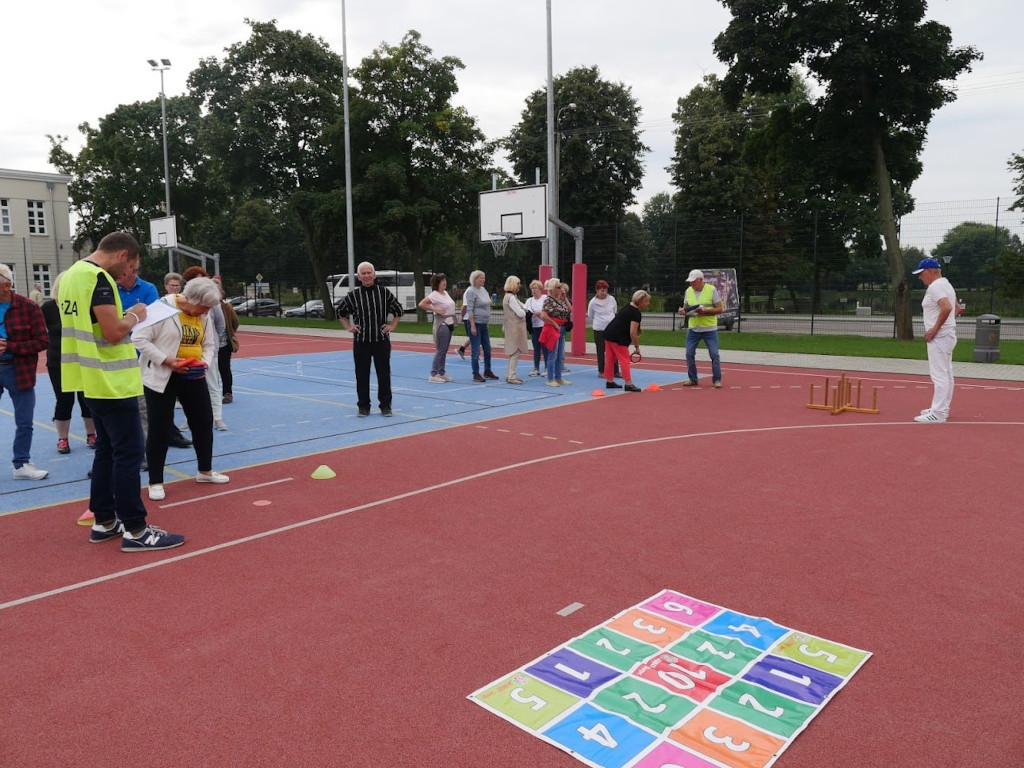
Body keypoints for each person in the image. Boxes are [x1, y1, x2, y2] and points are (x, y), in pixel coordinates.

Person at [60, 232, 184, 551]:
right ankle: (136, 529)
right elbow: (114, 332)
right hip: (111, 380)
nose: (129, 272)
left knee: (106, 449)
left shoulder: (72, 275)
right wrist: (134, 315)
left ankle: (104, 521)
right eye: (131, 266)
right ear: (122, 255)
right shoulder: (100, 279)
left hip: (88, 377)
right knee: (129, 453)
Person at [133, 276, 230, 500]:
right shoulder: (161, 309)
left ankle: (205, 471)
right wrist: (166, 360)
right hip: (162, 377)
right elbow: (138, 338)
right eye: (204, 307)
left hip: (193, 375)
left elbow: (209, 344)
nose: (206, 312)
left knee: (203, 423)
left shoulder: (202, 314)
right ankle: (155, 481)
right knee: (159, 428)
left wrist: (204, 364)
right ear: (191, 299)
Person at [0, 263, 50, 479]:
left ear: (6, 285)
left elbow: (42, 341)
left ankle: (21, 464)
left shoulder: (28, 307)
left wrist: (10, 346)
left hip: (18, 369)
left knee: (24, 421)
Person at [336, 261, 403, 416]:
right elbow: (340, 312)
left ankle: (385, 406)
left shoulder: (384, 292)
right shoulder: (354, 295)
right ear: (359, 277)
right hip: (361, 342)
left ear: (374, 275)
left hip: (381, 341)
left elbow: (398, 310)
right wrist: (348, 327)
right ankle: (363, 406)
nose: (366, 276)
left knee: (383, 374)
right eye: (363, 273)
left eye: (369, 273)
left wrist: (392, 325)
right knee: (362, 375)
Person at [41, 272, 96, 454]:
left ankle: (91, 434)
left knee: (87, 399)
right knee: (64, 400)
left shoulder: (84, 305)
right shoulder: (48, 308)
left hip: (82, 359)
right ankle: (63, 439)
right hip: (58, 361)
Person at [912, 257, 958, 423]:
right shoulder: (946, 284)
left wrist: (935, 328)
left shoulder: (935, 286)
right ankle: (941, 408)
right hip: (947, 335)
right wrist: (947, 325)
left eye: (921, 273)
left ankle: (938, 413)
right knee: (946, 373)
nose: (920, 277)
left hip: (940, 337)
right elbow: (957, 307)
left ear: (930, 271)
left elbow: (947, 307)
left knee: (939, 375)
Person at [182, 267, 226, 430]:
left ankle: (217, 417)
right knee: (188, 389)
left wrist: (214, 342)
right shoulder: (182, 303)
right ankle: (190, 419)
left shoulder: (212, 302)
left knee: (212, 384)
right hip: (189, 351)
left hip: (209, 351)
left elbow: (220, 324)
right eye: (195, 279)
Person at [679, 269, 723, 388]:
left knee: (714, 354)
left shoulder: (711, 290)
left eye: (694, 281)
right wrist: (683, 311)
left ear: (701, 280)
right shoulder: (688, 291)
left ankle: (717, 380)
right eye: (690, 281)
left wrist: (706, 311)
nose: (691, 283)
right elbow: (686, 308)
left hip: (709, 329)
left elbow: (720, 308)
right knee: (689, 354)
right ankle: (693, 379)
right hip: (693, 328)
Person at [602, 290, 649, 393]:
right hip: (619, 338)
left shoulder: (628, 306)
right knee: (624, 360)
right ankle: (628, 383)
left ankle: (609, 381)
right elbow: (633, 333)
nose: (648, 304)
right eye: (646, 301)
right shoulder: (636, 313)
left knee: (610, 359)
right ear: (640, 301)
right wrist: (636, 347)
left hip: (609, 333)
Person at [418, 272, 457, 383]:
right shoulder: (434, 295)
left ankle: (441, 372)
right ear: (437, 283)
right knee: (441, 350)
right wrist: (435, 309)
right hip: (442, 324)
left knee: (444, 350)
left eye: (445, 280)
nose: (445, 282)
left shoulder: (445, 293)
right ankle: (433, 374)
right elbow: (422, 304)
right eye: (442, 281)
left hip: (450, 323)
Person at [464, 270, 498, 382]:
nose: (483, 280)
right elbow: (470, 309)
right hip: (476, 323)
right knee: (476, 350)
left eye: (484, 277)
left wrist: (487, 321)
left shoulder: (483, 290)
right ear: (474, 279)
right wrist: (472, 325)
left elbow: (487, 305)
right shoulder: (471, 291)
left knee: (487, 349)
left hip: (484, 324)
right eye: (481, 278)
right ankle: (476, 373)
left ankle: (487, 370)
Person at [539, 277, 572, 387]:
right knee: (553, 354)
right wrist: (554, 323)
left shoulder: (560, 299)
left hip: (562, 327)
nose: (561, 289)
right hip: (553, 328)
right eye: (558, 287)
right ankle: (550, 378)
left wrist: (565, 297)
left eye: (561, 286)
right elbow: (543, 315)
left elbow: (570, 309)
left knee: (560, 355)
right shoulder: (548, 300)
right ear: (553, 289)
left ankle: (558, 377)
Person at [587, 280, 620, 379]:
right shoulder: (593, 302)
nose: (604, 293)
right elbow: (590, 315)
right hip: (599, 329)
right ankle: (601, 371)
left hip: (612, 329)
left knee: (614, 349)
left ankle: (616, 371)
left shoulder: (612, 299)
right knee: (601, 350)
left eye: (605, 290)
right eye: (602, 290)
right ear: (597, 290)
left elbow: (614, 310)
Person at [501, 276, 530, 384]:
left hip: (511, 326)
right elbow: (521, 313)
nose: (519, 286)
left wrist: (523, 309)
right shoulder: (511, 298)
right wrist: (523, 310)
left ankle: (510, 374)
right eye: (517, 284)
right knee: (515, 352)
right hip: (514, 328)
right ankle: (511, 376)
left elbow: (524, 307)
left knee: (513, 352)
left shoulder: (510, 297)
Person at [218, 279, 239, 403]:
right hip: (208, 345)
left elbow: (235, 322)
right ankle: (211, 393)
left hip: (224, 345)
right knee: (209, 372)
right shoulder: (204, 307)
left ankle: (227, 393)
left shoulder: (226, 307)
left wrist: (230, 332)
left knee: (225, 369)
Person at [523, 280, 548, 377]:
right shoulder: (529, 301)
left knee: (545, 348)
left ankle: (547, 368)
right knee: (536, 348)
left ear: (540, 289)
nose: (534, 290)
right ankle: (536, 368)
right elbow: (525, 312)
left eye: (536, 288)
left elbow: (548, 311)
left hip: (543, 326)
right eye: (532, 288)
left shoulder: (545, 298)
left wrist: (540, 313)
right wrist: (531, 315)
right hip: (534, 327)